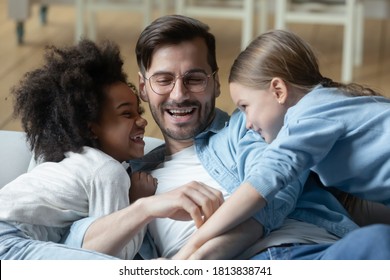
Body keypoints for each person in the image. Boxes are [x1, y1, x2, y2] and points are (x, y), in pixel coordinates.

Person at [128, 16, 390, 260]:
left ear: (216, 83)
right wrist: (141, 208)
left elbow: (272, 193)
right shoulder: (130, 178)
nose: (178, 94)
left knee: (376, 240)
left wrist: (190, 260)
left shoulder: (258, 125)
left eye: (194, 79)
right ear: (143, 87)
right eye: (163, 80)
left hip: (305, 251)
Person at [0, 38, 224, 260]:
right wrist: (138, 202)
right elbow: (121, 255)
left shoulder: (71, 159)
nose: (142, 122)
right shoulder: (107, 171)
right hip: (9, 242)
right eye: (127, 114)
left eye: (139, 113)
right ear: (90, 127)